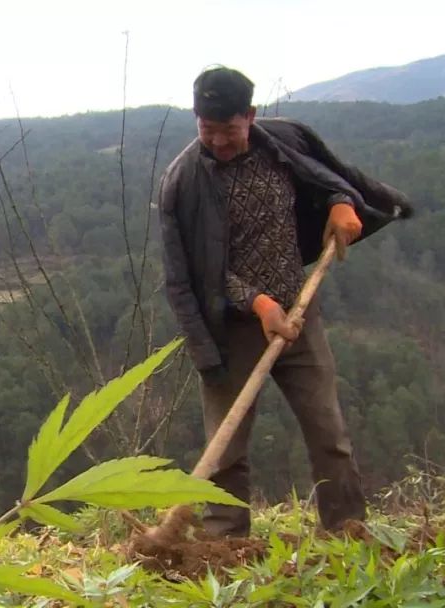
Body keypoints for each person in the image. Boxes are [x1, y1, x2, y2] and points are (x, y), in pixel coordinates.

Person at [156, 66, 414, 536]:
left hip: (298, 315)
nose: (216, 141)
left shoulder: (284, 143)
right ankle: (224, 539)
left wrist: (341, 202)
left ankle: (346, 528)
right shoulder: (184, 182)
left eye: (228, 129)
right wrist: (258, 304)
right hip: (232, 327)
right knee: (227, 444)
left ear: (250, 116)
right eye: (205, 129)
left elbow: (326, 178)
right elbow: (195, 273)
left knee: (328, 432)